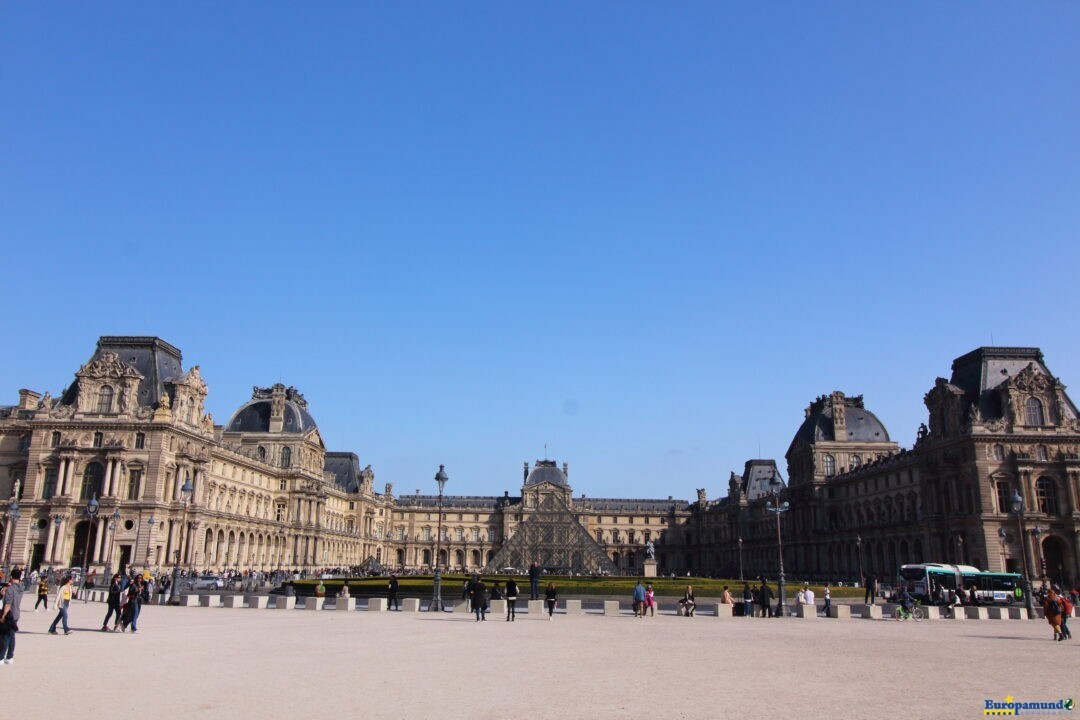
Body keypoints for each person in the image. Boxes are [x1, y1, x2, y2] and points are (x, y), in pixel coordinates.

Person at [0, 568, 24, 664]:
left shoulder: (10, 588)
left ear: (11, 576)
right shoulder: (21, 587)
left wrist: (3, 616)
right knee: (12, 635)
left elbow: (8, 604)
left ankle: (1, 657)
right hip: (17, 613)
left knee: (4, 636)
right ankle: (10, 657)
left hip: (9, 613)